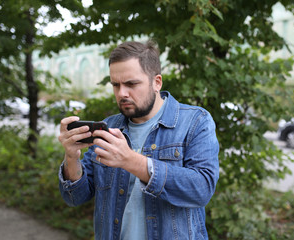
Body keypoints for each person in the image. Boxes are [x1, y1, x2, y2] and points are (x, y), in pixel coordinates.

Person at [58, 40, 219, 240]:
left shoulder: (195, 121)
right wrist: (71, 156)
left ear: (156, 82)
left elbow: (201, 189)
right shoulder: (109, 128)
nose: (122, 93)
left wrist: (130, 160)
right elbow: (75, 196)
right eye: (116, 85)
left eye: (131, 84)